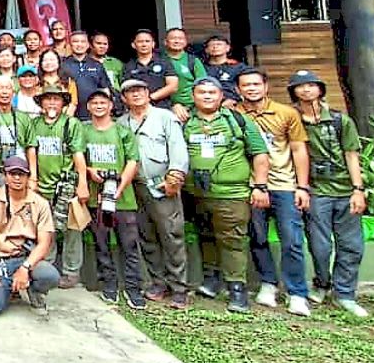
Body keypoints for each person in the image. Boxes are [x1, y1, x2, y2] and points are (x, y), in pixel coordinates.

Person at [180, 77, 270, 312]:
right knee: (206, 235)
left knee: (232, 240)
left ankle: (237, 288)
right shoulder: (186, 121)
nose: (207, 96)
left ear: (221, 96)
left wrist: (260, 186)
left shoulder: (238, 120)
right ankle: (211, 279)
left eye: (212, 92)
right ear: (193, 96)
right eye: (202, 92)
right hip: (197, 193)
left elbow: (259, 153)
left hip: (231, 193)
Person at [288, 70, 369, 317]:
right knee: (320, 246)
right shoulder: (293, 120)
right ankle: (322, 283)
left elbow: (351, 155)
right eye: (300, 87)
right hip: (316, 190)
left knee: (351, 245)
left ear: (320, 89)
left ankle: (345, 293)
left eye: (311, 85)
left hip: (344, 189)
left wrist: (358, 190)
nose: (306, 90)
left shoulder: (339, 120)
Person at [235, 67, 313, 316]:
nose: (251, 89)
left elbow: (299, 150)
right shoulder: (233, 114)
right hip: (250, 186)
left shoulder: (286, 113)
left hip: (284, 185)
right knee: (257, 237)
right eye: (245, 85)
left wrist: (302, 186)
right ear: (238, 89)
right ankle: (268, 283)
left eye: (256, 84)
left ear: (265, 87)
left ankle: (297, 292)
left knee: (291, 240)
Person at [118, 79, 190, 309]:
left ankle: (179, 286)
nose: (136, 95)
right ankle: (158, 282)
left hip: (162, 184)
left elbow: (178, 147)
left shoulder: (165, 117)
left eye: (140, 90)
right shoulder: (121, 123)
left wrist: (175, 176)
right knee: (146, 236)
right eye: (130, 92)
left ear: (149, 93)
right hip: (135, 187)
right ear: (123, 98)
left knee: (171, 234)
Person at [77, 90, 144, 308]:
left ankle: (134, 288)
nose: (98, 106)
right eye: (94, 102)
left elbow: (133, 161)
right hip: (98, 200)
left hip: (123, 199)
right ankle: (109, 284)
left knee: (129, 243)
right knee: (102, 244)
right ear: (88, 107)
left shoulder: (122, 131)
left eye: (102, 103)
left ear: (110, 106)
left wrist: (120, 186)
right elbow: (77, 154)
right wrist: (89, 171)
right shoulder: (84, 130)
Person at [19, 83, 87, 288]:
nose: (51, 102)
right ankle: (46, 266)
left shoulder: (71, 124)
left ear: (63, 102)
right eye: (48, 98)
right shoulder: (34, 123)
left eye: (56, 99)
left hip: (65, 184)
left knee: (71, 229)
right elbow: (31, 150)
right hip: (42, 185)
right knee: (44, 228)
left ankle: (71, 271)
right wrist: (33, 178)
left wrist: (82, 182)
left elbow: (78, 154)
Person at [0, 156, 60, 317]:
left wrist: (25, 268)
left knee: (50, 276)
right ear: (5, 176)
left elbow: (44, 243)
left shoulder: (40, 203)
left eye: (21, 174)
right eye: (12, 173)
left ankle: (33, 289)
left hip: (27, 258)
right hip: (1, 258)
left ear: (28, 177)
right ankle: (9, 289)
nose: (17, 178)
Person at [60, 31, 115, 121]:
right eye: (75, 41)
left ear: (88, 45)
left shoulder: (97, 65)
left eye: (82, 41)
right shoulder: (63, 64)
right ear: (70, 44)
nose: (79, 44)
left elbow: (105, 91)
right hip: (69, 115)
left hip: (93, 115)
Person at [123, 30, 178, 109]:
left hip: (162, 107)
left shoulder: (164, 62)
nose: (144, 44)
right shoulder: (128, 66)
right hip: (138, 108)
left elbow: (173, 86)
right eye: (140, 42)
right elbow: (125, 89)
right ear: (133, 45)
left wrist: (150, 98)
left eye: (147, 41)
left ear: (153, 44)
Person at [164, 28, 208, 122]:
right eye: (173, 38)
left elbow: (203, 84)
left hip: (192, 107)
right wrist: (172, 105)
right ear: (165, 42)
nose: (177, 41)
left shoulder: (193, 61)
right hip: (166, 107)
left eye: (180, 38)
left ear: (185, 42)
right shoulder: (159, 60)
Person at [0, 75, 25, 161]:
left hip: (19, 167)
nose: (4, 92)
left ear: (13, 93)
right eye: (1, 88)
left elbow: (30, 146)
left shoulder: (24, 117)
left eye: (8, 88)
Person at [204, 35, 246, 108]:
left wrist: (235, 100)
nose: (215, 47)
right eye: (212, 45)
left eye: (219, 44)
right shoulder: (200, 67)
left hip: (235, 104)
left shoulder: (238, 67)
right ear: (206, 50)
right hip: (207, 104)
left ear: (228, 48)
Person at [37, 50, 78, 116]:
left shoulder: (68, 81)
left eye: (52, 60)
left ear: (58, 62)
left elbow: (73, 104)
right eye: (45, 60)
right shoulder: (36, 81)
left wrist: (65, 121)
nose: (49, 63)